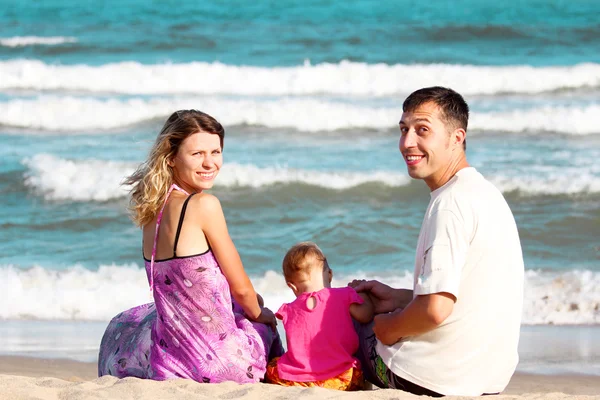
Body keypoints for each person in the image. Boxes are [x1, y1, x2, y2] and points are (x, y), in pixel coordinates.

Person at [350, 87, 524, 396]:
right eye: (404, 130)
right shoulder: (485, 193)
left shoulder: (450, 203)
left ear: (457, 138)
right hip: (488, 379)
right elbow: (467, 298)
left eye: (422, 130)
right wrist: (400, 300)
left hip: (430, 378)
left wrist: (388, 328)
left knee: (347, 317)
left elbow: (434, 311)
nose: (407, 143)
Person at [98, 110, 284, 383]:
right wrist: (262, 315)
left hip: (168, 362)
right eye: (197, 154)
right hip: (220, 364)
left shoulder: (151, 212)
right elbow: (242, 289)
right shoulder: (204, 205)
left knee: (130, 320)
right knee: (258, 315)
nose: (210, 163)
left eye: (216, 152)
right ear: (171, 157)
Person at [265, 242, 373, 390]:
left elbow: (294, 349)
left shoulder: (288, 310)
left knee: (273, 367)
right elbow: (366, 315)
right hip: (340, 378)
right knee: (357, 370)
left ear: (292, 286)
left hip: (300, 381)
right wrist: (363, 293)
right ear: (330, 274)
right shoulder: (345, 295)